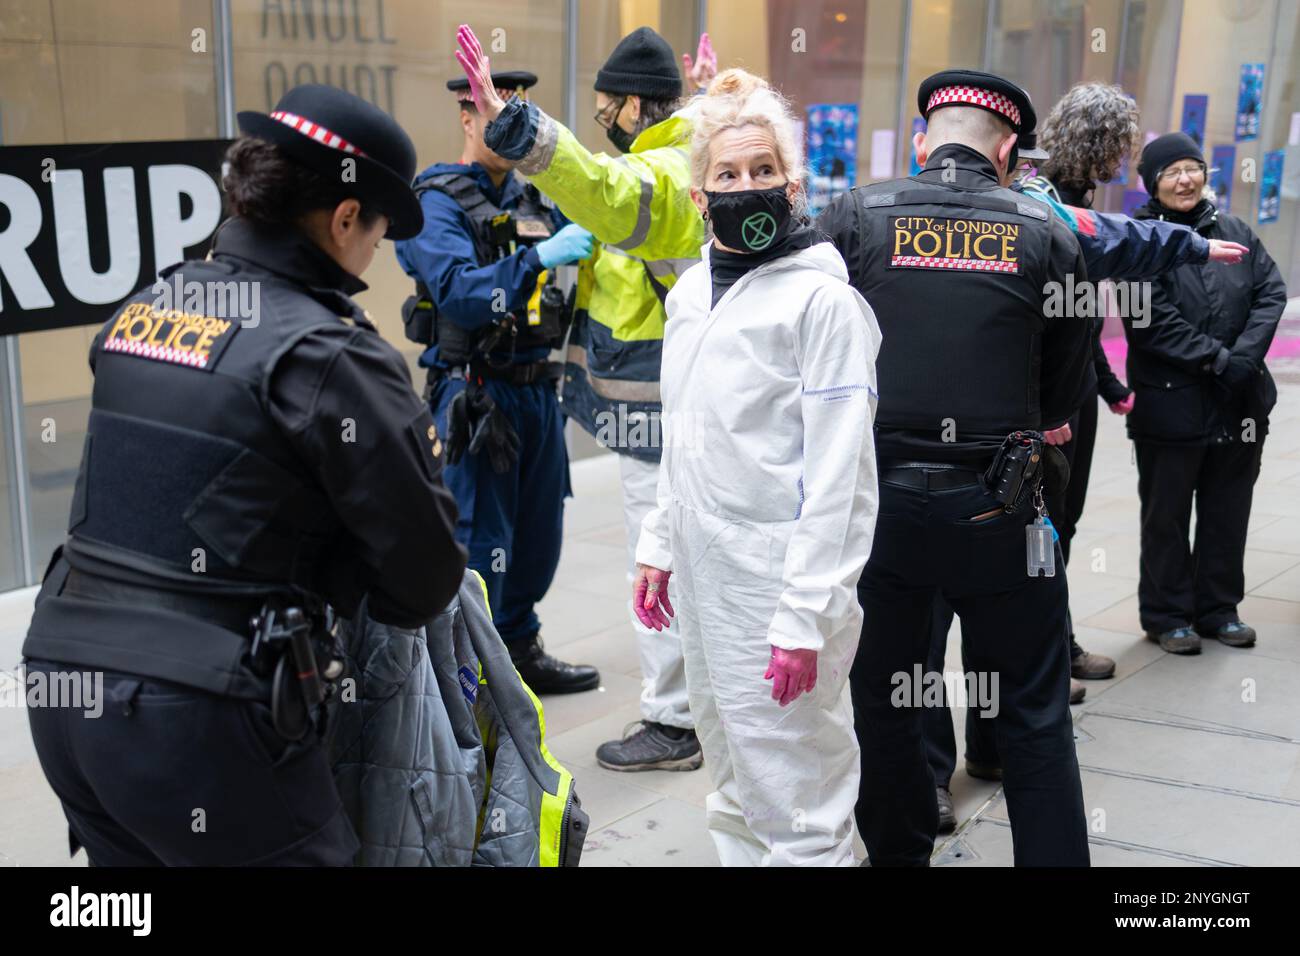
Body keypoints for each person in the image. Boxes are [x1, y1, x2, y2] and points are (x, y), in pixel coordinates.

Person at [22, 84, 466, 865]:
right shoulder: (335, 357)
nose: (375, 255)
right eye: (380, 232)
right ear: (342, 219)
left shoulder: (143, 310)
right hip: (199, 717)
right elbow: (422, 580)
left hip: (64, 688)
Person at [922, 84, 1250, 830]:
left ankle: (994, 738)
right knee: (940, 609)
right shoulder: (1025, 201)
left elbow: (1089, 288)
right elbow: (1105, 241)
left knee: (1018, 579)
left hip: (1037, 423)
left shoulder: (1038, 200)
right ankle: (933, 770)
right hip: (973, 429)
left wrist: (1089, 389)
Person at [818, 69, 1092, 866]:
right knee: (1036, 713)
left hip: (882, 514)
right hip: (1002, 510)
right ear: (1008, 150)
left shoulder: (855, 217)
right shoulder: (1047, 235)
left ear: (920, 140)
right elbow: (1063, 391)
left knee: (888, 704)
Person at [634, 68, 881, 866]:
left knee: (799, 796)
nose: (749, 187)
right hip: (708, 581)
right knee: (734, 778)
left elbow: (843, 482)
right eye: (729, 175)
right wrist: (659, 541)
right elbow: (685, 434)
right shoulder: (691, 295)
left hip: (781, 584)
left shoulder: (824, 306)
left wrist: (806, 615)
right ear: (700, 197)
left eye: (764, 170)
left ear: (795, 185)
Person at [454, 24, 715, 769]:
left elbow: (602, 190)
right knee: (683, 560)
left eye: (607, 107)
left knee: (656, 564)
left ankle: (672, 720)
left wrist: (519, 126)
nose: (603, 118)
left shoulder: (664, 169)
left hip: (656, 412)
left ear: (636, 105)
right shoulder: (687, 145)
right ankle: (703, 705)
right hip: (667, 403)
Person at [395, 70, 599, 694]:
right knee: (482, 541)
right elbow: (457, 294)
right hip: (477, 395)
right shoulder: (437, 201)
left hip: (538, 392)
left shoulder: (535, 199)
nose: (505, 127)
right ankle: (471, 675)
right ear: (466, 116)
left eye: (517, 113)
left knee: (539, 536)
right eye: (491, 113)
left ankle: (519, 647)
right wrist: (536, 258)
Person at [1126, 132, 1286, 654]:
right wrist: (1218, 360)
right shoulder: (1138, 239)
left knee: (1227, 509)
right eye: (1172, 171)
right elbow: (1148, 320)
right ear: (1152, 182)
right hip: (1171, 403)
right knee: (1166, 515)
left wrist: (1242, 360)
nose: (1185, 179)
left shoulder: (1236, 231)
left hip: (1238, 404)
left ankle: (1218, 608)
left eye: (1193, 168)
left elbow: (1270, 291)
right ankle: (1167, 615)